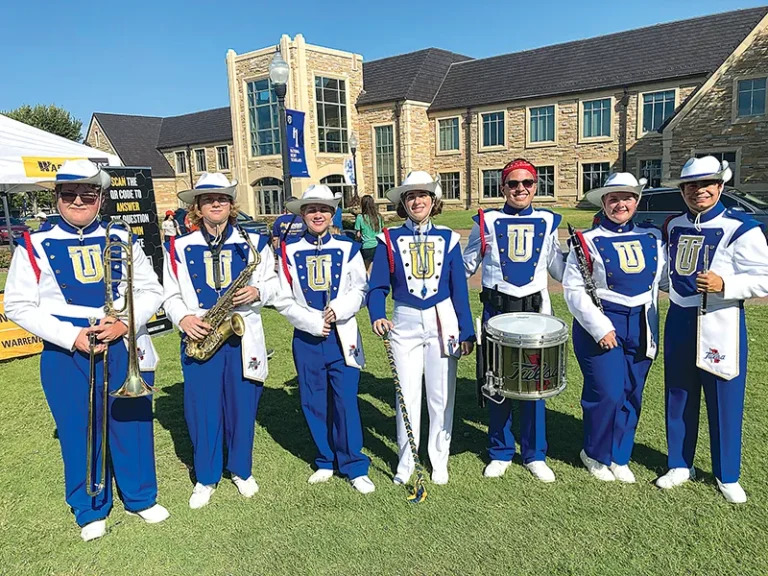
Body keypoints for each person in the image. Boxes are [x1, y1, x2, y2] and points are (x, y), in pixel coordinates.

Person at [4, 160, 168, 542]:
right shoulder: (34, 245)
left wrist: (125, 323)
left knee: (132, 423)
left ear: (101, 198)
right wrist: (70, 336)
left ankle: (140, 497)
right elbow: (17, 305)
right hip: (66, 354)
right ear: (57, 198)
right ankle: (89, 505)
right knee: (80, 430)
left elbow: (151, 289)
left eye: (88, 194)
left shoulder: (123, 238)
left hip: (122, 343)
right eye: (69, 193)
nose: (79, 200)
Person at [162, 172, 278, 509]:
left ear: (231, 205)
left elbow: (274, 283)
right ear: (197, 206)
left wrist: (259, 290)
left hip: (242, 334)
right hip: (201, 334)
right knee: (202, 409)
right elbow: (169, 293)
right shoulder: (179, 247)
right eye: (209, 198)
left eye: (223, 198)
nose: (216, 203)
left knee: (243, 406)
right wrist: (183, 317)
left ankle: (241, 469)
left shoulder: (254, 243)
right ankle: (206, 476)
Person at [656, 156, 768, 503]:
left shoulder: (743, 227)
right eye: (691, 185)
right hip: (678, 318)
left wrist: (726, 283)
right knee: (678, 394)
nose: (699, 191)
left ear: (720, 186)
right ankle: (679, 463)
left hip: (721, 321)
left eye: (707, 184)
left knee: (724, 399)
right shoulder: (674, 224)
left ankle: (727, 474)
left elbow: (764, 277)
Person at [368, 171, 475, 486]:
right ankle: (406, 462)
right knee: (407, 394)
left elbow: (459, 289)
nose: (417, 201)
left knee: (441, 395)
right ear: (403, 202)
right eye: (411, 196)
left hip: (442, 320)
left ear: (433, 201)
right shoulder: (388, 238)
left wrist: (466, 331)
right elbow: (377, 287)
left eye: (423, 195)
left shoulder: (449, 238)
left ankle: (439, 459)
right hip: (405, 321)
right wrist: (377, 314)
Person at [463, 158, 564, 482]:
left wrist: (580, 258)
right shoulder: (486, 222)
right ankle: (500, 450)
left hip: (535, 314)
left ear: (536, 186)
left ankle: (535, 453)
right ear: (502, 187)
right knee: (496, 384)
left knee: (535, 384)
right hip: (497, 312)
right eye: (513, 183)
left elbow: (558, 269)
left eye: (527, 183)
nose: (520, 189)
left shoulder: (548, 221)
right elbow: (466, 265)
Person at [273, 184, 374, 494]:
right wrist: (311, 322)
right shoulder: (288, 251)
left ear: (333, 214)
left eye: (324, 209)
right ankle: (325, 460)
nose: (317, 214)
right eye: (311, 209)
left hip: (342, 335)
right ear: (302, 214)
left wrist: (340, 309)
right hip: (308, 337)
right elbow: (282, 296)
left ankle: (354, 464)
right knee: (314, 400)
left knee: (345, 401)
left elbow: (361, 289)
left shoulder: (349, 248)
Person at [563, 173, 664, 483]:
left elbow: (664, 281)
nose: (621, 203)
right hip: (604, 321)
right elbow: (573, 288)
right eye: (614, 198)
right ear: (604, 203)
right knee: (606, 391)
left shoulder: (654, 238)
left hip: (643, 322)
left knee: (632, 391)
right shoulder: (587, 240)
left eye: (627, 197)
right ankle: (594, 452)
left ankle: (619, 455)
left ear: (636, 201)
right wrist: (599, 327)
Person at [354, 194, 383, 268]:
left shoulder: (360, 217)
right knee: (377, 268)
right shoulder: (379, 216)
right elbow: (382, 230)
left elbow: (358, 234)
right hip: (378, 246)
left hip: (367, 247)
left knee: (367, 270)